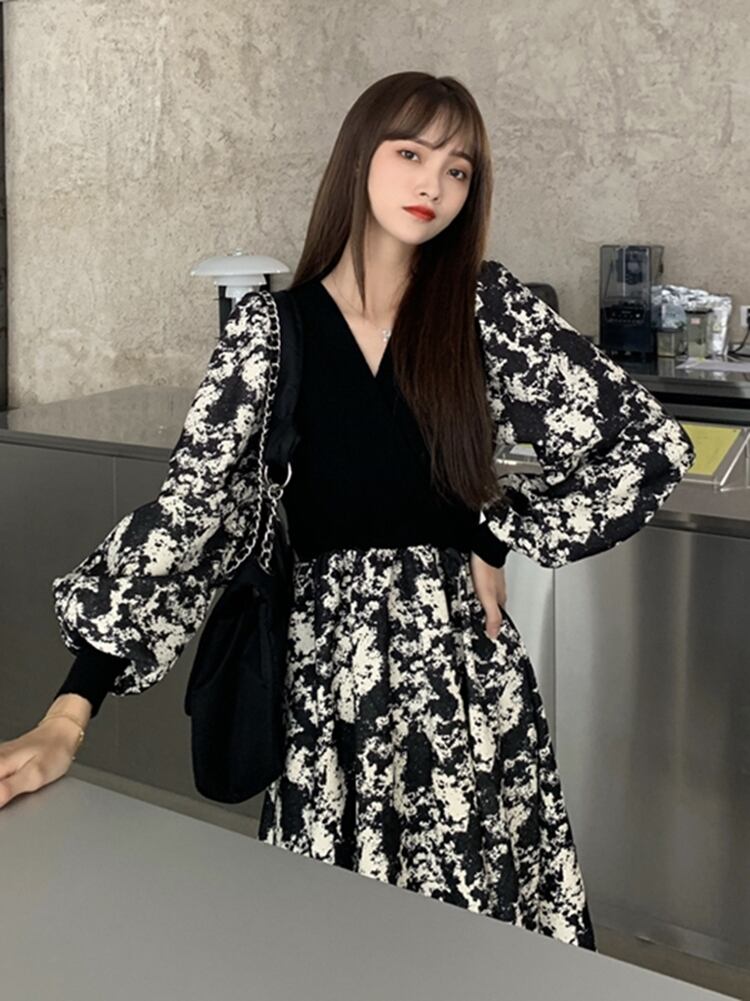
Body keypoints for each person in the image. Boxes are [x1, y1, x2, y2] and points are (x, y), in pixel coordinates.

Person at [0, 71, 695, 950]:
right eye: (411, 154)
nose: (433, 184)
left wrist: (499, 530)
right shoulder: (272, 331)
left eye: (458, 170)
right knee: (329, 941)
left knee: (477, 940)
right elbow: (192, 516)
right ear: (360, 157)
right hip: (328, 686)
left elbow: (646, 444)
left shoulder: (484, 309)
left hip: (460, 680)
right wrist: (70, 712)